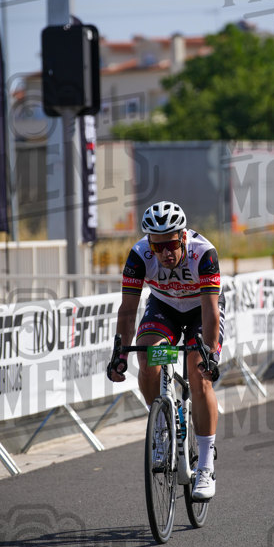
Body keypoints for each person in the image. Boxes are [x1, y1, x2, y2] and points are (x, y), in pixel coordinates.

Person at [107, 201, 223, 501]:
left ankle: (206, 466)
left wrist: (209, 353)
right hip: (165, 310)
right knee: (147, 360)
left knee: (199, 375)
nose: (165, 253)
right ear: (150, 244)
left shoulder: (204, 253)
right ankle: (161, 427)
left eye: (171, 244)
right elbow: (128, 308)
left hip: (200, 310)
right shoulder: (138, 256)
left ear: (183, 238)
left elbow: (211, 309)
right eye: (158, 247)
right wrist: (120, 353)